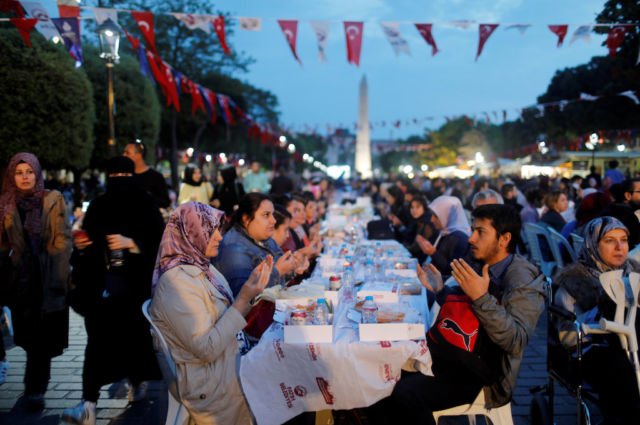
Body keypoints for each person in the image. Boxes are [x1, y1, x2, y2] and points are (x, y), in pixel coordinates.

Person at [373, 204, 545, 424]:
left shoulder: (521, 278)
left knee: (405, 395)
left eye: (480, 232)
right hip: (455, 355)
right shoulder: (481, 262)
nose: (471, 238)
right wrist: (440, 290)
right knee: (383, 373)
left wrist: (481, 298)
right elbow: (463, 316)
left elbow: (516, 341)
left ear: (504, 239)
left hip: (485, 375)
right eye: (473, 230)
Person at [62, 157, 165, 425]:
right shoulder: (100, 204)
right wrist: (84, 245)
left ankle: (133, 381)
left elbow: (159, 242)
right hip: (102, 288)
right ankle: (89, 403)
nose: (119, 179)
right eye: (115, 174)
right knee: (98, 344)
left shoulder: (144, 203)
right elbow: (87, 241)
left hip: (134, 289)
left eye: (123, 174)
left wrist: (132, 243)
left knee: (132, 339)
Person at [149, 202, 273, 424]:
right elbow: (206, 349)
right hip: (210, 382)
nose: (218, 237)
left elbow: (226, 317)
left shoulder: (203, 267)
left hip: (226, 360)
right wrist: (244, 297)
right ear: (190, 232)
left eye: (218, 230)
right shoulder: (176, 283)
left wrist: (253, 290)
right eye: (210, 229)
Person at [0, 153, 71, 411]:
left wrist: (59, 278)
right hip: (17, 280)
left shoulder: (52, 199)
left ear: (37, 173)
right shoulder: (5, 204)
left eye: (29, 171)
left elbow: (62, 239)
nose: (25, 177)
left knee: (41, 341)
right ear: (12, 175)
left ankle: (35, 388)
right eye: (19, 172)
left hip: (46, 278)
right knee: (26, 336)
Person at [553, 216, 640, 423]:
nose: (619, 247)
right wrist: (602, 310)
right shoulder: (574, 279)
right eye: (609, 240)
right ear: (593, 244)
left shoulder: (635, 272)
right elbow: (569, 338)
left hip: (634, 347)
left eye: (624, 239)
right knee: (618, 366)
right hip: (592, 351)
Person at [213, 193, 298, 296]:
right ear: (246, 219)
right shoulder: (232, 248)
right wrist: (278, 271)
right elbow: (242, 295)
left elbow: (284, 268)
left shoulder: (265, 238)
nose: (274, 220)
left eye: (273, 215)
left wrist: (293, 266)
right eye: (266, 215)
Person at [415, 195, 470, 278]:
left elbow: (452, 271)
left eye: (436, 216)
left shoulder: (460, 238)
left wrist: (433, 253)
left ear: (448, 216)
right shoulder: (444, 232)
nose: (432, 220)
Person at [123, 141, 171, 209]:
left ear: (139, 155)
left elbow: (165, 202)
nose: (123, 155)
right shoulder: (124, 176)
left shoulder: (156, 177)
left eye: (127, 153)